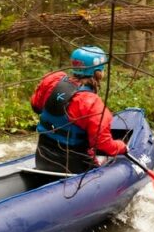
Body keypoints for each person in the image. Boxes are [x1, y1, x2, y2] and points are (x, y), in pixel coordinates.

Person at [30, 45, 127, 174]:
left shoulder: (52, 79)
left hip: (42, 158)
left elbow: (36, 106)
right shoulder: (93, 104)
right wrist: (122, 146)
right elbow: (102, 145)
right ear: (99, 72)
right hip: (74, 168)